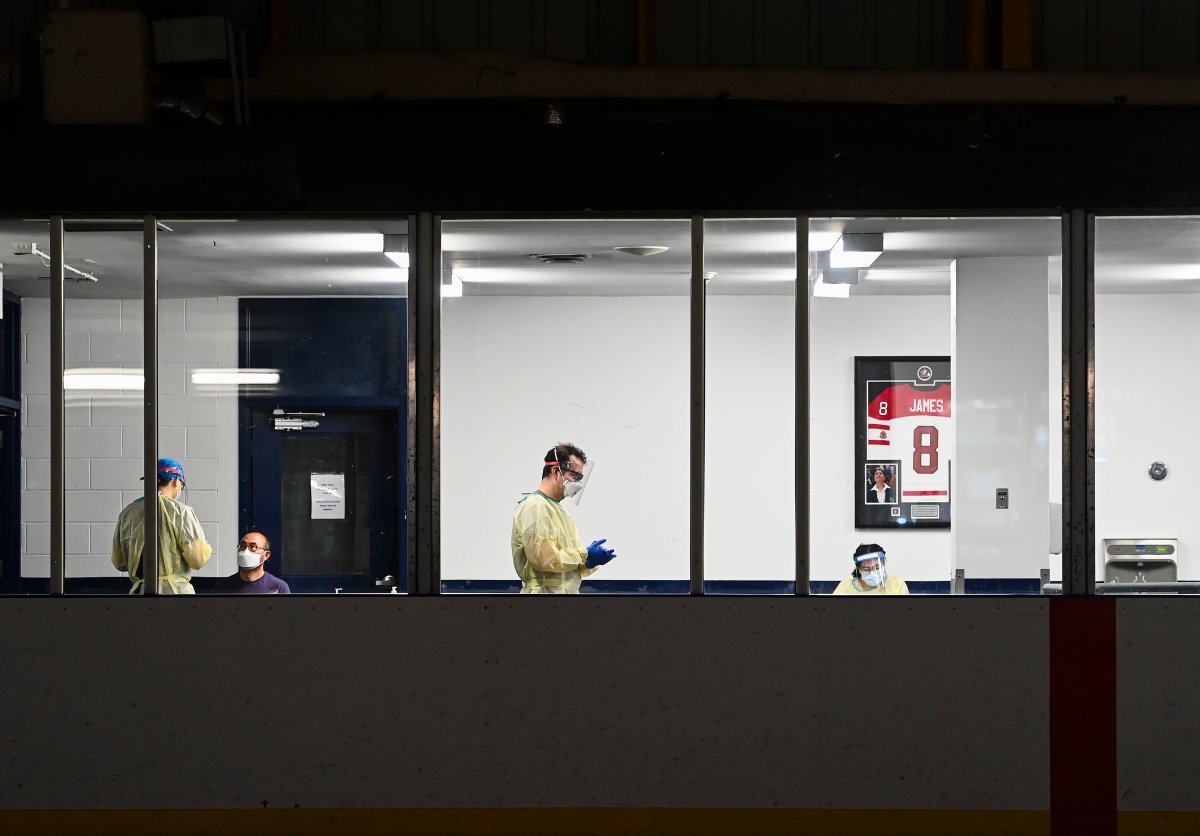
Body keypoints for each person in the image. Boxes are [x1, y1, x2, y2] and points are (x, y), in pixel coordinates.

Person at [511, 442, 616, 594]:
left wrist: (588, 562)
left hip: (564, 601)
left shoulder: (560, 511)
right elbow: (544, 559)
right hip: (542, 600)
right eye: (574, 475)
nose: (577, 483)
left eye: (580, 477)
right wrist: (584, 554)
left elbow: (565, 565)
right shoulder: (535, 506)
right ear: (555, 471)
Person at [111, 457, 212, 594]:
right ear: (176, 482)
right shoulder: (181, 512)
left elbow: (119, 562)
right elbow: (197, 560)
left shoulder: (127, 513)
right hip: (176, 594)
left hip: (140, 593)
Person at [210, 530, 291, 594]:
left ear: (266, 555)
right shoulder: (222, 587)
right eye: (243, 546)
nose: (245, 551)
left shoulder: (278, 587)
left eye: (253, 547)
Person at [833, 543, 909, 595]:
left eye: (877, 567)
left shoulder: (895, 584)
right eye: (866, 569)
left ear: (883, 564)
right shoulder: (845, 586)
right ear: (859, 569)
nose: (873, 573)